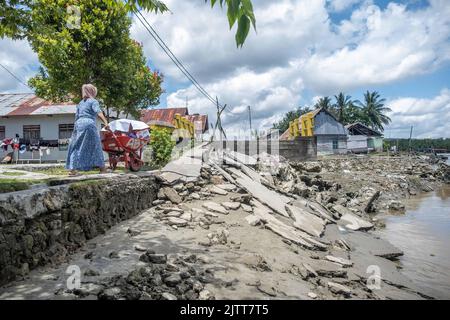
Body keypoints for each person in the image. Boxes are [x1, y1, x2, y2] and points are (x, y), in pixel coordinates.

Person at [66, 84, 109, 176]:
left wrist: (75, 129)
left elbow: (76, 116)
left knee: (76, 146)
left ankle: (72, 170)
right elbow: (98, 112)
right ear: (92, 91)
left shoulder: (80, 103)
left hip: (78, 124)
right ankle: (102, 169)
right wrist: (105, 122)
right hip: (89, 124)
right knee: (96, 145)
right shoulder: (93, 101)